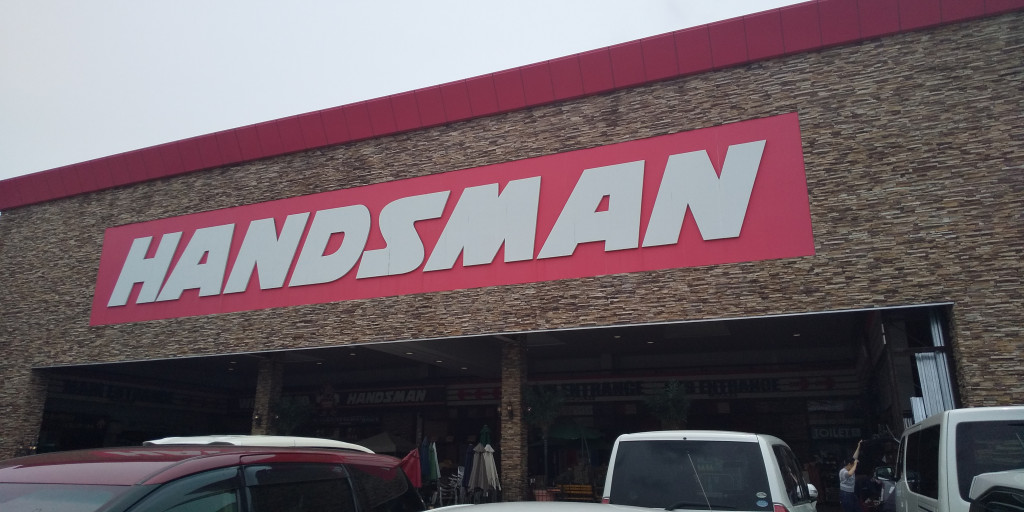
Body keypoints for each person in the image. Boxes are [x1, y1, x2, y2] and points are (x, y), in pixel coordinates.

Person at [839, 440, 862, 512]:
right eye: (852, 465)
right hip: (845, 494)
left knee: (857, 509)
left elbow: (855, 457)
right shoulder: (843, 471)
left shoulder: (850, 467)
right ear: (849, 465)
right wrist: (855, 464)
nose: (853, 467)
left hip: (851, 493)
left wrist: (858, 446)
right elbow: (850, 474)